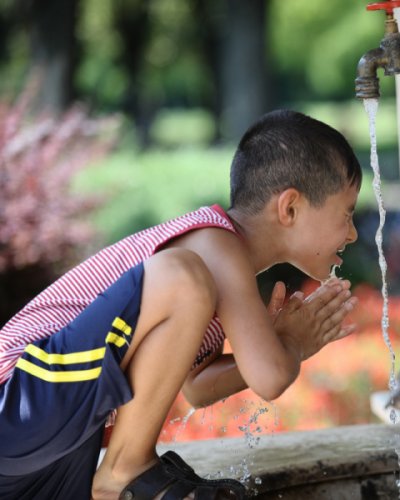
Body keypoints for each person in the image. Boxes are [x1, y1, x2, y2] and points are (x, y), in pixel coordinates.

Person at [0, 109, 362, 499]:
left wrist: (279, 341)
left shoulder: (219, 274)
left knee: (186, 279)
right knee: (180, 274)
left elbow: (198, 387)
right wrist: (289, 343)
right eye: (348, 213)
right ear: (289, 208)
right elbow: (270, 377)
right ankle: (124, 470)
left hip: (47, 456)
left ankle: (121, 470)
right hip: (17, 398)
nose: (354, 233)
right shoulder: (213, 244)